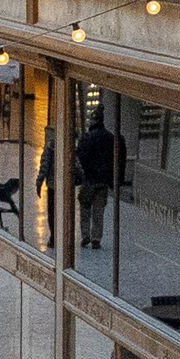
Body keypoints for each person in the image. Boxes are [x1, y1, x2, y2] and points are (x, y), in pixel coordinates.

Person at [73, 108, 119, 252]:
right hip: (103, 181)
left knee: (85, 209)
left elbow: (80, 156)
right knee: (99, 211)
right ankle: (96, 238)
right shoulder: (110, 138)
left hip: (89, 179)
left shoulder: (87, 137)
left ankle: (85, 234)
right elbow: (114, 159)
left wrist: (81, 175)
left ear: (93, 121)